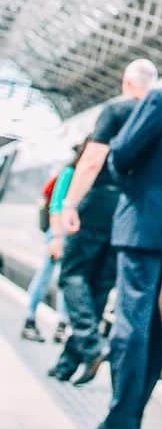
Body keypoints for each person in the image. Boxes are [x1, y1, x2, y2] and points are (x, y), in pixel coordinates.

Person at [74, 44, 162, 429]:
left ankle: (118, 423)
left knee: (131, 326)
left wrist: (128, 185)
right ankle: (133, 415)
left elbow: (121, 154)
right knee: (157, 331)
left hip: (143, 226)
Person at [49, 58, 157, 384]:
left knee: (71, 273)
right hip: (130, 211)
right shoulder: (156, 114)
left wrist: (70, 203)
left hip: (99, 202)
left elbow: (93, 160)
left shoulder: (117, 109)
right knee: (99, 285)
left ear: (126, 82)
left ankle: (91, 345)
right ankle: (70, 362)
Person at [20, 143, 79, 343]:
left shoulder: (80, 175)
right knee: (46, 275)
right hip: (57, 233)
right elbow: (56, 205)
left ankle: (62, 324)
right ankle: (30, 318)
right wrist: (56, 237)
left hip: (69, 234)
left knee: (65, 279)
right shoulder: (69, 173)